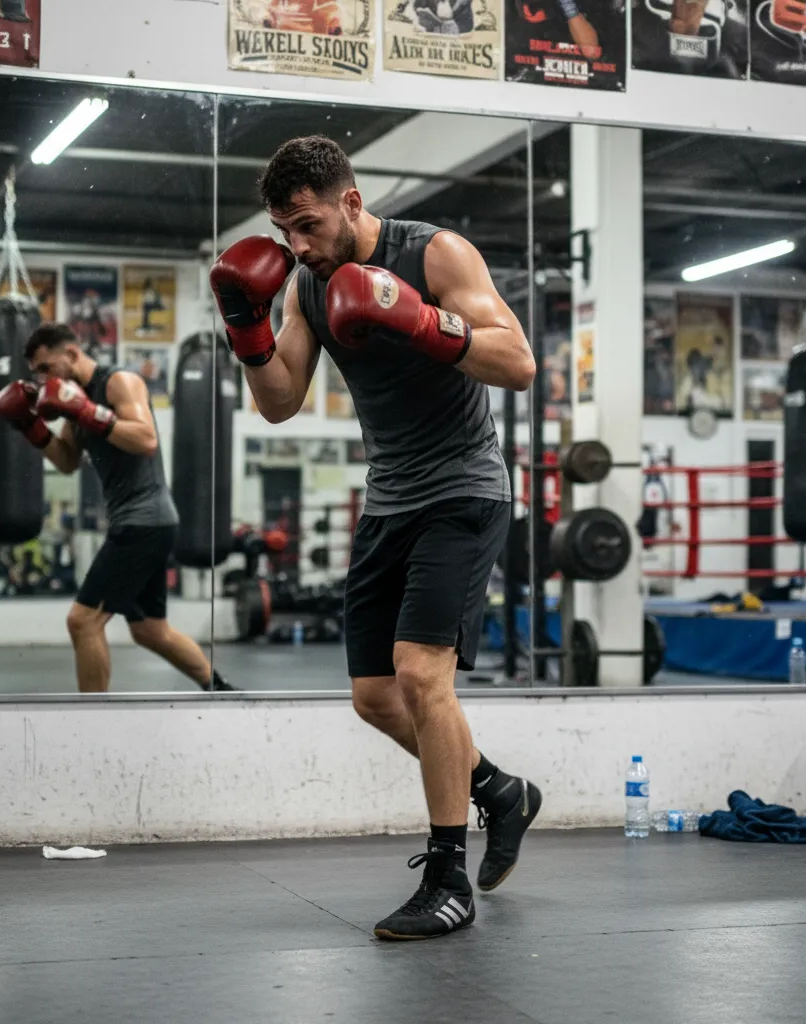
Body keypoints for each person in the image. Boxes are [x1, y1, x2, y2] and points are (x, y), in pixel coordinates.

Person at [209, 135, 538, 941]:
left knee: (423, 677)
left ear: (351, 203)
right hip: (389, 498)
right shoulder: (310, 288)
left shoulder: (437, 254)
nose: (295, 244)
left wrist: (424, 321)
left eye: (308, 224)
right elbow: (279, 401)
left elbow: (519, 362)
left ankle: (449, 876)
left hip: (464, 488)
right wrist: (247, 330)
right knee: (374, 697)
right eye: (283, 229)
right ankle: (499, 790)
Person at [0, 323, 234, 694]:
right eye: (35, 373)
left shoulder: (120, 382)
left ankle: (94, 719)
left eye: (45, 368)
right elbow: (69, 460)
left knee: (83, 621)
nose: (41, 379)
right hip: (144, 522)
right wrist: (31, 427)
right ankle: (219, 687)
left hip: (144, 520)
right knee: (151, 630)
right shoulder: (75, 399)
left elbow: (146, 438)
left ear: (71, 354)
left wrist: (88, 411)